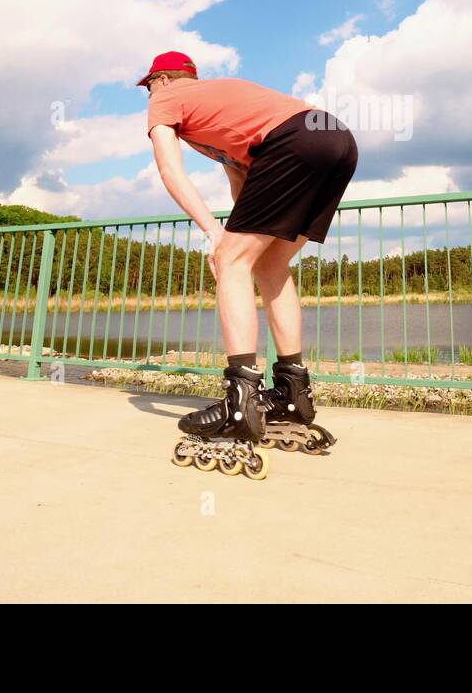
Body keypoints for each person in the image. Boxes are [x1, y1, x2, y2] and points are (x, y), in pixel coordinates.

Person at [142, 50, 357, 473]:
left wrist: (216, 239)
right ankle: (294, 395)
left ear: (163, 79)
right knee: (270, 265)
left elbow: (169, 170)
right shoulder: (222, 105)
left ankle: (240, 404)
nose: (147, 95)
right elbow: (244, 181)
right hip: (336, 139)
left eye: (149, 85)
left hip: (295, 141)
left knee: (232, 261)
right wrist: (242, 249)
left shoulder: (166, 98)